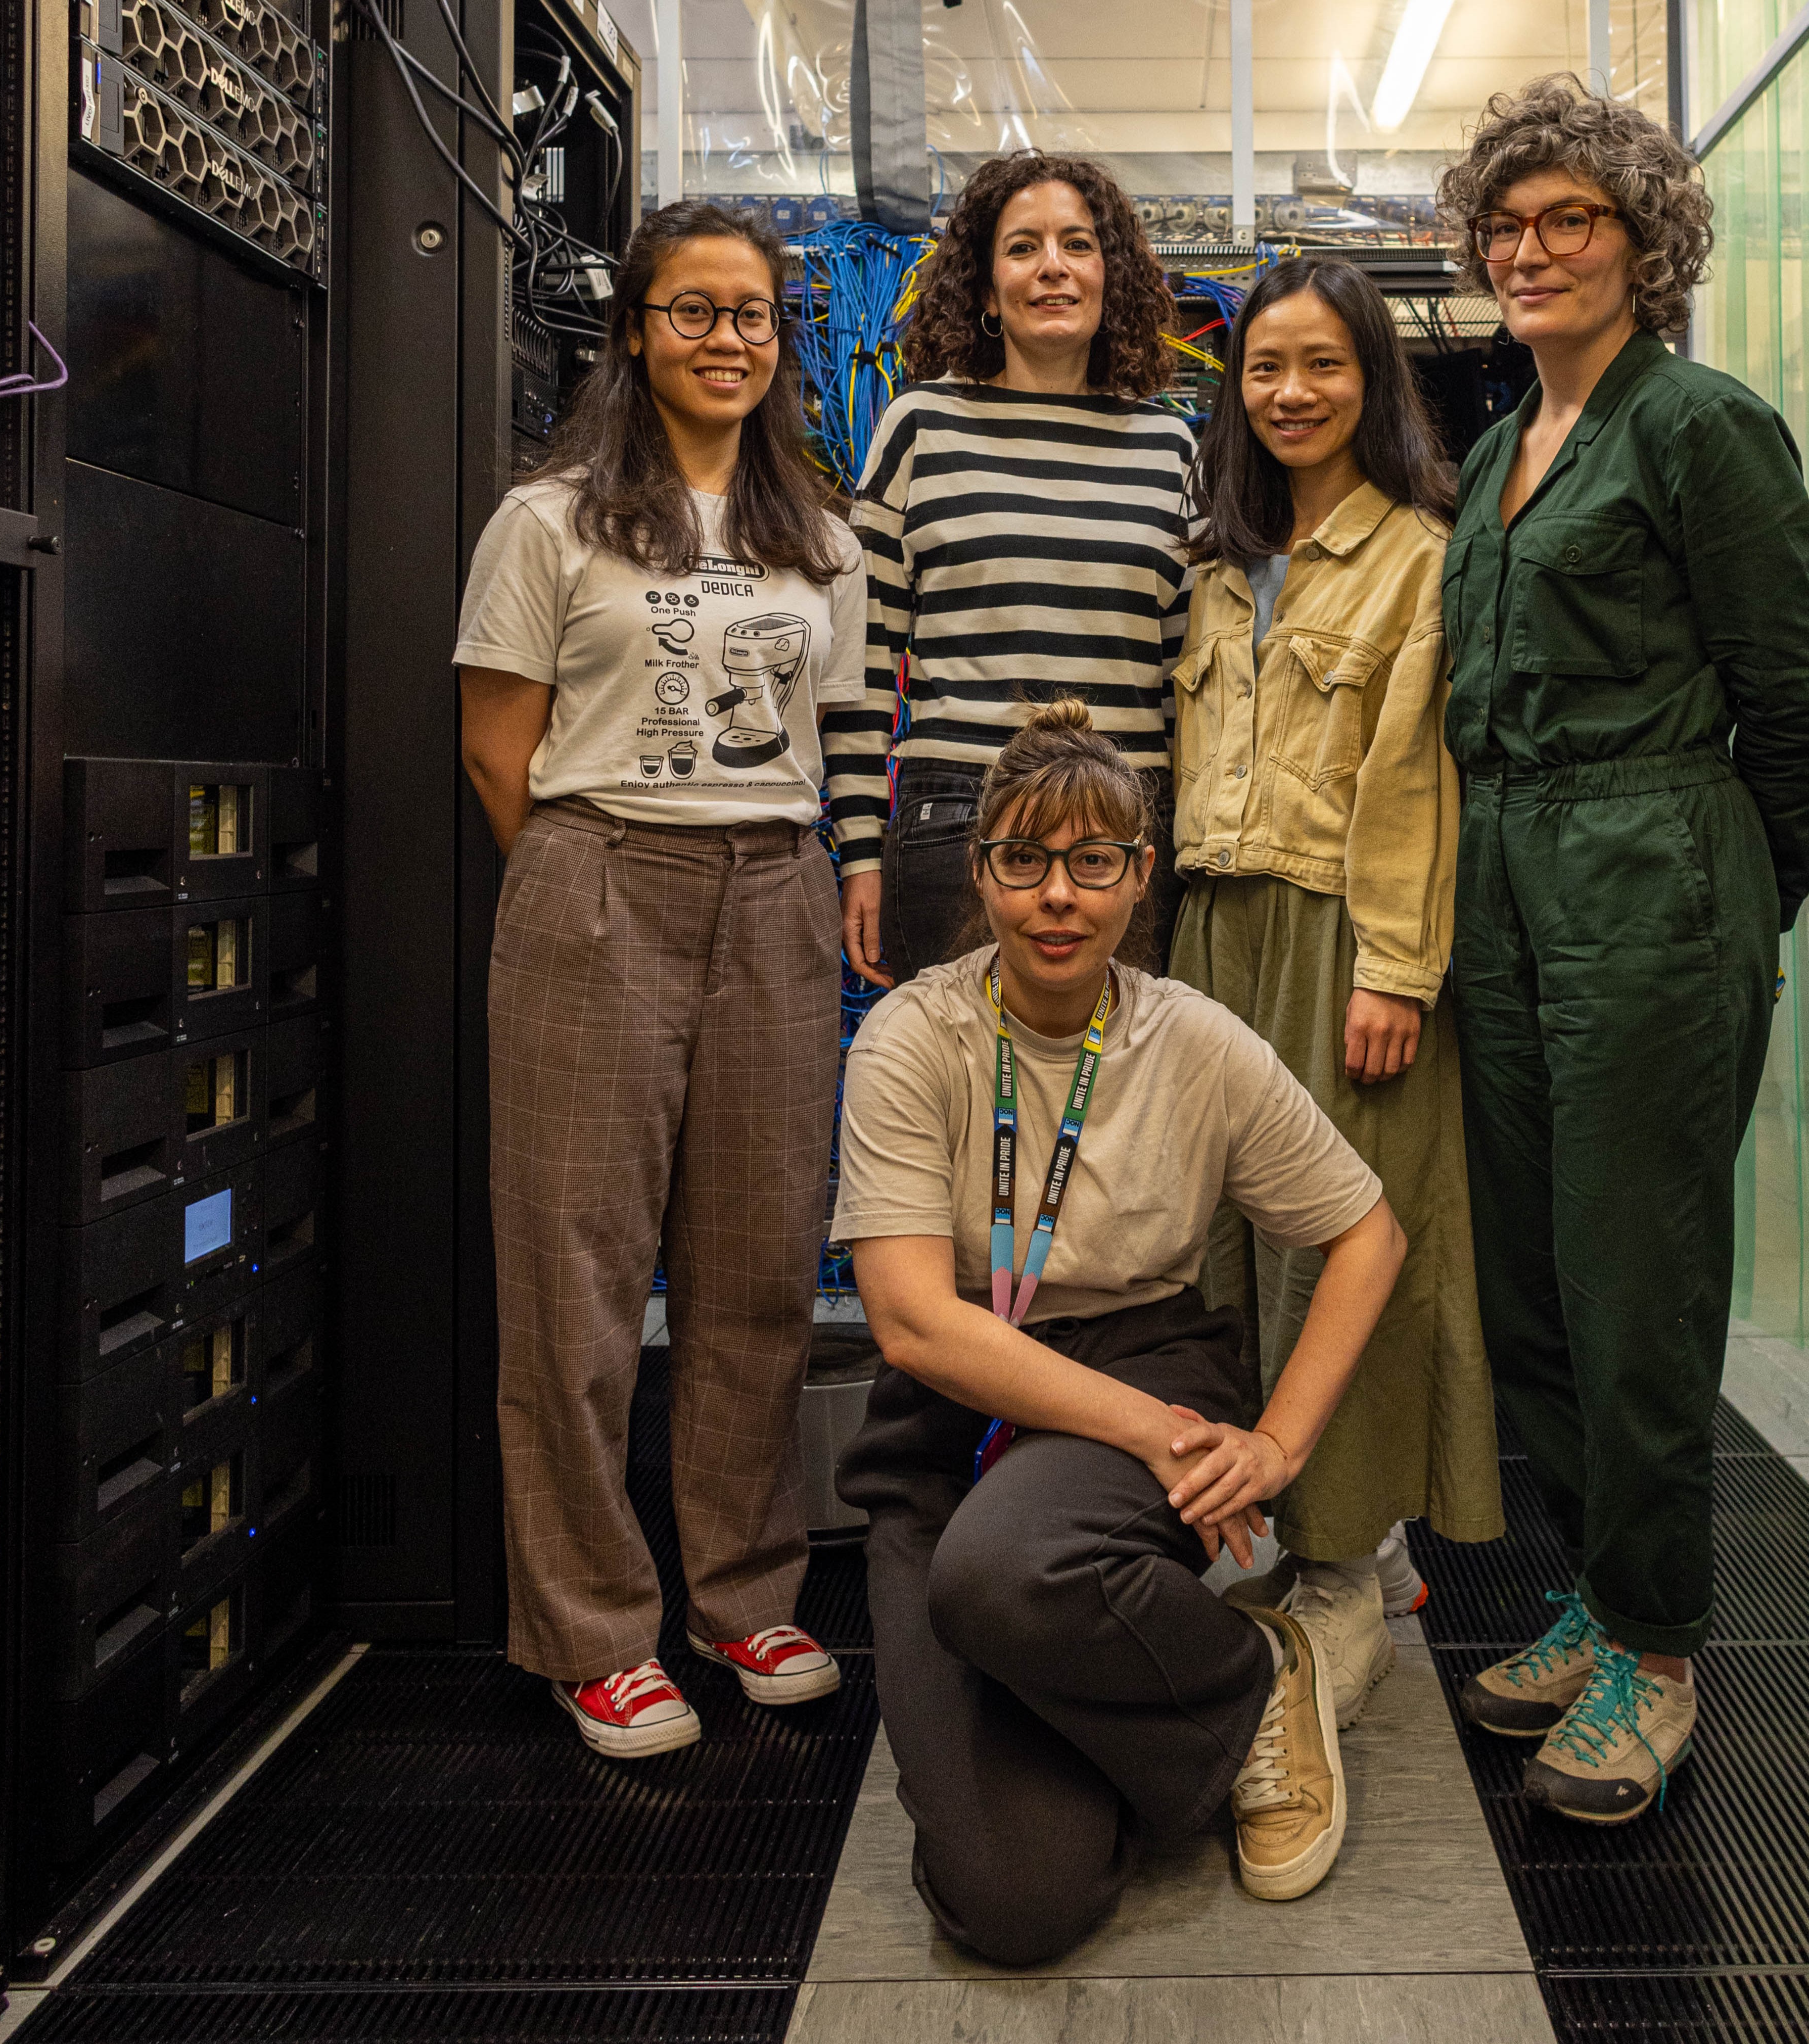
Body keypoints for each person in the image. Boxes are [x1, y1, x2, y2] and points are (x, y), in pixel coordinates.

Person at [831, 700, 1410, 1964]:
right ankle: (1189, 1667)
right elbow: (911, 1322)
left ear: (1140, 876)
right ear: (980, 871)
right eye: (1024, 861)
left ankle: (1249, 1683)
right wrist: (1160, 1438)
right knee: (1013, 1903)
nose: (1058, 897)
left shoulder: (1192, 1040)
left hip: (1138, 1350)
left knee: (999, 1577)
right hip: (956, 1411)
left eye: (1094, 863)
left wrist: (1275, 1445)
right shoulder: (911, 1038)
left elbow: (1368, 1234)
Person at [1434, 77, 1809, 1820]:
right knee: (1532, 1275)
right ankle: (1598, 1599)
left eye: (1569, 222)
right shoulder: (1493, 448)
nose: (1530, 251)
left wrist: (1725, 911)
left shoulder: (1698, 426)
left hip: (1652, 872)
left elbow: (1795, 699)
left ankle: (1659, 1649)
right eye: (1507, 227)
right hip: (1512, 873)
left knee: (1636, 1283)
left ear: (1641, 243)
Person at [454, 202, 863, 1758]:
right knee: (573, 1279)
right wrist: (592, 882)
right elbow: (499, 745)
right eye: (692, 312)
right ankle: (592, 1632)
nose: (727, 340)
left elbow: (824, 733)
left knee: (756, 1268)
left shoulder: (815, 534)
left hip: (775, 889)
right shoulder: (549, 518)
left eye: (752, 315)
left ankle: (742, 1596)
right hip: (596, 874)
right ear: (633, 331)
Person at [1166, 256, 1506, 1727]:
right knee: (1218, 1238)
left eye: (1320, 365)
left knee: (1348, 1234)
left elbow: (1412, 784)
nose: (1289, 392)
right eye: (1263, 367)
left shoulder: (1419, 556)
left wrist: (1393, 967)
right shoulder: (1210, 557)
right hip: (1208, 927)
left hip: (1334, 934)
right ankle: (1247, 1512)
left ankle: (1345, 1549)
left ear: (1371, 382)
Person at [826, 151, 1194, 987]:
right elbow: (862, 659)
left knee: (1117, 1100)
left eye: (1077, 244)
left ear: (1112, 277)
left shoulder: (1170, 446)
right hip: (957, 816)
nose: (1053, 267)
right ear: (987, 289)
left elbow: (1190, 682)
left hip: (1127, 824)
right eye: (1023, 247)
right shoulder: (920, 426)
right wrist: (857, 853)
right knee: (957, 1096)